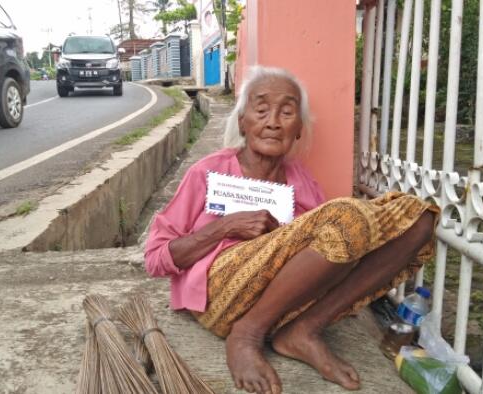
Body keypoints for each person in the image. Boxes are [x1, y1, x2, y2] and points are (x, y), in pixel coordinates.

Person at [145, 65, 439, 394]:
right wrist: (226, 227)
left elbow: (334, 245)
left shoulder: (301, 181)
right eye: (261, 110)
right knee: (347, 214)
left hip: (286, 303)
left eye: (286, 112)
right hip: (221, 296)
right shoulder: (207, 171)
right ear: (243, 121)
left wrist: (289, 237)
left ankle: (304, 330)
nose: (273, 121)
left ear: (298, 128)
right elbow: (155, 257)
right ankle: (246, 335)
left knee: (419, 218)